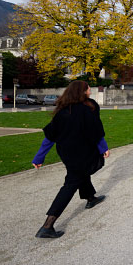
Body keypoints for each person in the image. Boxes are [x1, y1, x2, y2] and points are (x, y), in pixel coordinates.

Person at [32, 81, 109, 238]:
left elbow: (49, 138)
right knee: (71, 184)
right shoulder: (87, 110)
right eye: (88, 88)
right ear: (83, 91)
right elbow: (96, 132)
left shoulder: (62, 111)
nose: (89, 90)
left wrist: (39, 156)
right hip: (82, 153)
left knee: (80, 173)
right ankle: (47, 225)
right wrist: (103, 148)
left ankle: (90, 198)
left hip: (67, 154)